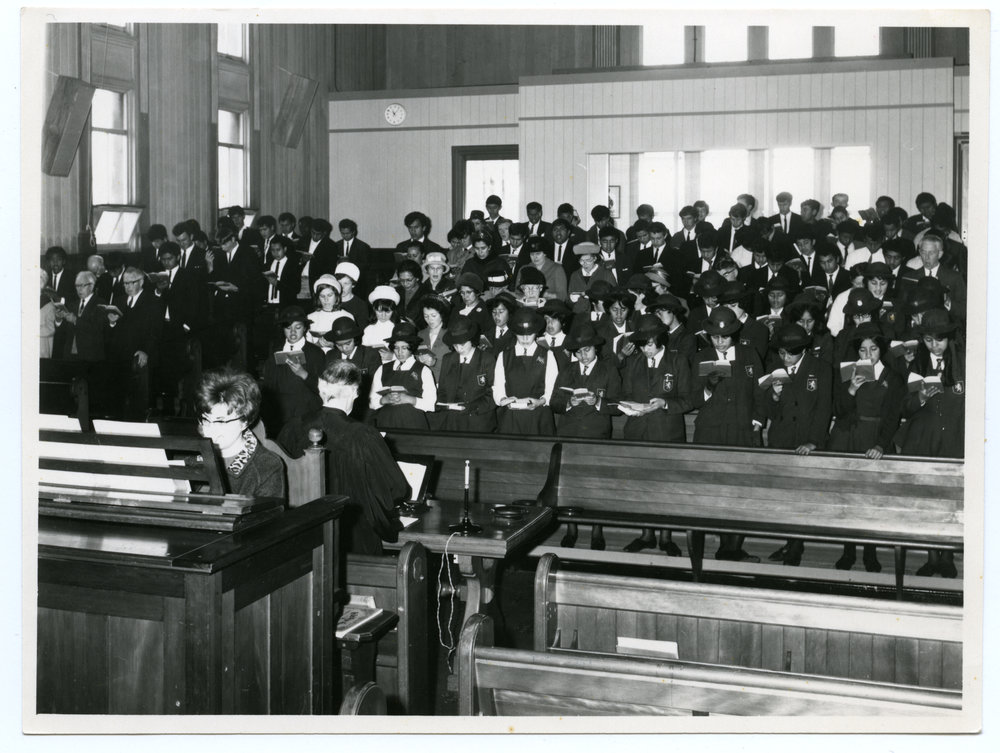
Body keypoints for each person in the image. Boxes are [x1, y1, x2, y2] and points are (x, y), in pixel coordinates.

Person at [277, 361, 404, 554]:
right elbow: (395, 487)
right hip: (353, 539)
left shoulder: (293, 427)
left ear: (321, 391)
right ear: (353, 391)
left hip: (303, 539)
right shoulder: (363, 435)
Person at [827, 322, 905, 573]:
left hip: (874, 439)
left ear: (881, 349)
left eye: (873, 349)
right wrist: (851, 388)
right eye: (862, 350)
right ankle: (848, 551)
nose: (868, 354)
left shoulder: (893, 377)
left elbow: (892, 417)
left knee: (871, 500)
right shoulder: (849, 371)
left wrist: (881, 445)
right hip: (847, 438)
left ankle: (870, 553)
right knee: (848, 499)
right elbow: (839, 410)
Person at [693, 307, 768, 562]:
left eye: (724, 337)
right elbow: (693, 399)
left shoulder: (749, 354)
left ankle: (732, 548)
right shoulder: (702, 357)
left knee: (739, 490)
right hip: (711, 432)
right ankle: (722, 546)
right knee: (714, 490)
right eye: (715, 337)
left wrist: (757, 421)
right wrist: (708, 387)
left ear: (734, 334)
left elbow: (760, 392)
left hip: (741, 430)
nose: (720, 342)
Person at [894, 308, 964, 578]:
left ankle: (947, 558)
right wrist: (921, 397)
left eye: (940, 340)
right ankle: (932, 558)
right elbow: (905, 407)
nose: (934, 346)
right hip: (924, 439)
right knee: (927, 501)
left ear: (949, 338)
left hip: (954, 439)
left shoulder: (963, 363)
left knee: (950, 502)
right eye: (928, 340)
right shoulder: (917, 365)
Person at [617, 313, 694, 554]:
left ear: (660, 339)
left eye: (649, 344)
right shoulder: (634, 362)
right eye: (642, 345)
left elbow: (689, 399)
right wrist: (630, 407)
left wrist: (665, 403)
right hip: (638, 431)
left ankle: (666, 538)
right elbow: (626, 394)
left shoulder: (678, 360)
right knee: (642, 486)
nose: (645, 349)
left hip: (666, 433)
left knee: (666, 487)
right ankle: (646, 535)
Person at [762, 323, 833, 567]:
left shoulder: (821, 368)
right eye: (781, 352)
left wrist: (814, 442)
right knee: (785, 497)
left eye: (790, 353)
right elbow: (769, 411)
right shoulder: (775, 368)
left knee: (801, 497)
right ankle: (790, 543)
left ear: (803, 350)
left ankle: (795, 548)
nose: (785, 358)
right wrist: (774, 395)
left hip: (806, 441)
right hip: (781, 440)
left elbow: (824, 409)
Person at [195, 368, 285, 498]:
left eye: (221, 422)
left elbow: (267, 512)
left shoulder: (267, 466)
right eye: (206, 420)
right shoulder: (192, 457)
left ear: (244, 421)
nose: (211, 430)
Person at [259, 305, 324, 437]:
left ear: (305, 328)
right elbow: (269, 387)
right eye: (288, 328)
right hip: (281, 417)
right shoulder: (275, 352)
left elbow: (324, 388)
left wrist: (304, 374)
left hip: (308, 417)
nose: (293, 332)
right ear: (283, 329)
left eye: (298, 327)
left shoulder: (316, 353)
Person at [493, 308, 558, 436]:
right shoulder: (504, 355)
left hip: (538, 417)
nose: (525, 338)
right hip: (511, 418)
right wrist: (503, 399)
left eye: (530, 333)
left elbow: (552, 388)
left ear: (536, 332)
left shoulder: (547, 355)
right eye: (520, 334)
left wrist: (540, 401)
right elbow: (498, 386)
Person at [550, 324, 621, 439]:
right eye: (578, 352)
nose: (583, 356)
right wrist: (569, 403)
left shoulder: (609, 370)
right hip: (568, 433)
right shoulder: (566, 370)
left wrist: (597, 401)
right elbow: (554, 403)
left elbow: (617, 406)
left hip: (597, 434)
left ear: (595, 348)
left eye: (587, 350)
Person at [369, 322, 436, 430]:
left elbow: (431, 403)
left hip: (413, 423)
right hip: (386, 422)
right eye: (396, 348)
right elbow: (372, 401)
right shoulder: (382, 369)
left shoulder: (423, 370)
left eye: (404, 348)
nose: (399, 352)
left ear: (412, 347)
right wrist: (384, 400)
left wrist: (409, 399)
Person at [435, 318, 497, 433]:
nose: (459, 349)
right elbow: (442, 389)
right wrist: (443, 403)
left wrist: (472, 406)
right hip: (452, 420)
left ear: (471, 340)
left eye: (462, 344)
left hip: (478, 420)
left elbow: (493, 392)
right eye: (455, 345)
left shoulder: (486, 359)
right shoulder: (448, 359)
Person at [323, 317, 381, 420]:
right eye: (339, 345)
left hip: (363, 410)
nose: (344, 348)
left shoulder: (370, 354)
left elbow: (374, 387)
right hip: (337, 410)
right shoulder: (330, 355)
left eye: (348, 343)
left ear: (355, 339)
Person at [307, 274, 353, 353]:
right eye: (322, 296)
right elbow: (306, 348)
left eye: (329, 295)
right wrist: (317, 345)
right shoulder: (310, 317)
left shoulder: (347, 316)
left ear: (336, 295)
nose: (326, 300)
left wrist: (334, 346)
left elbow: (352, 348)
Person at [417, 293, 452, 385]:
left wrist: (435, 362)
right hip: (423, 381)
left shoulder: (451, 334)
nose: (429, 319)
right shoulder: (420, 334)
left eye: (433, 315)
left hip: (444, 381)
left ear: (442, 315)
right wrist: (419, 359)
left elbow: (455, 361)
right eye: (426, 316)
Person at [363, 285, 401, 363]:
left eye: (388, 312)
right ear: (374, 309)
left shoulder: (401, 326)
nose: (383, 316)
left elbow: (410, 353)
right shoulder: (369, 329)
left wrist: (393, 356)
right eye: (379, 311)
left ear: (393, 310)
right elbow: (363, 352)